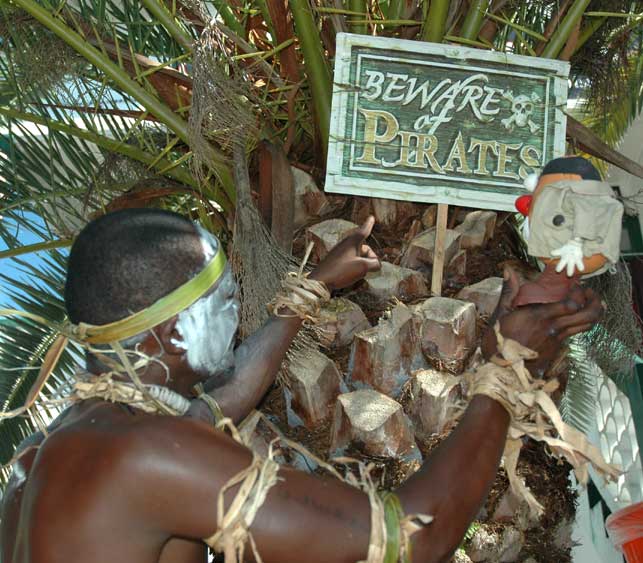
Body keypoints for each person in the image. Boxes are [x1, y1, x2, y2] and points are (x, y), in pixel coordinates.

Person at [1, 208, 603, 563]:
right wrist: (502, 370)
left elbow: (222, 402)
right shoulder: (143, 455)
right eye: (226, 300)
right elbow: (410, 537)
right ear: (166, 337)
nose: (237, 314)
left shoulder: (68, 442)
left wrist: (314, 287)